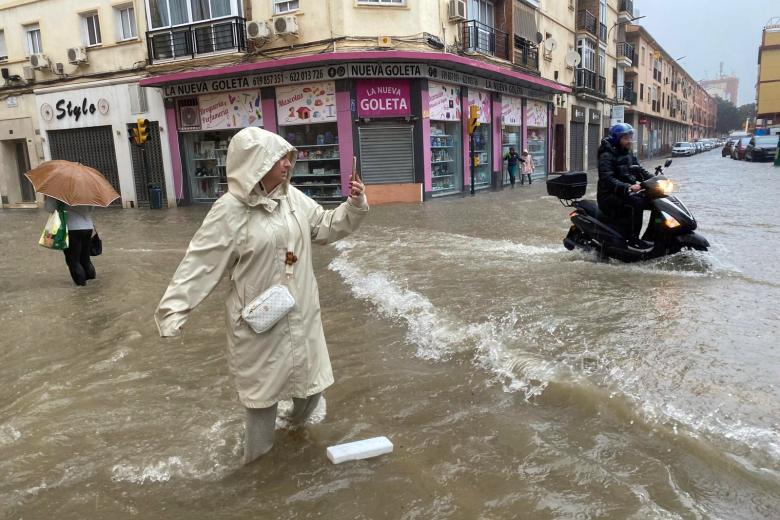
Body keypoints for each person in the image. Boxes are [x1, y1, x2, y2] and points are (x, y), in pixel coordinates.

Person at [154, 127, 368, 465]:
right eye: (279, 158)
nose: (287, 164)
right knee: (262, 401)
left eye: (287, 157)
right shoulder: (229, 211)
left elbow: (324, 226)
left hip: (301, 313)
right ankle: (256, 469)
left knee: (310, 388)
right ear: (256, 163)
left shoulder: (292, 199)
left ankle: (293, 436)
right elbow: (200, 262)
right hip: (259, 322)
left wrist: (353, 206)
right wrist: (174, 310)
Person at [597, 123, 654, 248]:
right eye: (625, 138)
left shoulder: (628, 153)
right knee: (637, 203)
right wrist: (628, 187)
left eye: (630, 137)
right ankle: (633, 240)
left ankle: (653, 236)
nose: (629, 140)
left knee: (654, 201)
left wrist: (655, 179)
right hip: (608, 196)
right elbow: (607, 178)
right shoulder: (606, 155)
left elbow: (639, 170)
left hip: (624, 192)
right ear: (617, 139)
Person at [44, 195, 95, 286]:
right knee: (85, 258)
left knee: (73, 260)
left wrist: (47, 198)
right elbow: (91, 209)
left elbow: (49, 208)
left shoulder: (58, 191)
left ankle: (81, 288)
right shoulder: (86, 190)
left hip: (71, 228)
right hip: (87, 227)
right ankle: (92, 285)